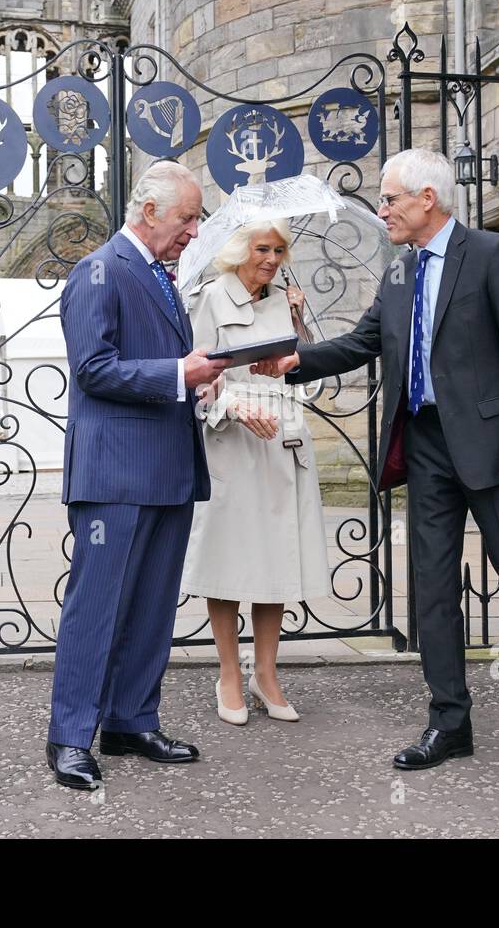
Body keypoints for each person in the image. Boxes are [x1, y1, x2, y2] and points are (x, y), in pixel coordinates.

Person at [252, 148, 499, 767]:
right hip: (426, 445)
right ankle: (450, 722)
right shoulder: (399, 271)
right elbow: (363, 341)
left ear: (426, 200)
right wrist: (295, 361)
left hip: (492, 452)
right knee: (433, 589)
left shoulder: (491, 257)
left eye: (389, 198)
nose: (382, 209)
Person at [47, 161, 231, 790]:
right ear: (150, 212)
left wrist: (196, 381)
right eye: (187, 218)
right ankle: (70, 737)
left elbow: (157, 365)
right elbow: (93, 369)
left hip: (166, 471)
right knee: (96, 608)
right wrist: (180, 375)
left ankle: (130, 721)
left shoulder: (157, 273)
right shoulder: (97, 271)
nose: (194, 230)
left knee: (153, 607)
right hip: (114, 476)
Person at [180, 221, 331, 726]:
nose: (271, 257)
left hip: (283, 438)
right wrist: (233, 408)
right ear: (240, 249)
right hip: (233, 438)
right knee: (227, 560)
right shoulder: (210, 299)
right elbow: (196, 377)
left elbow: (297, 368)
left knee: (276, 563)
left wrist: (298, 319)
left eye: (279, 249)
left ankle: (266, 675)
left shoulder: (284, 298)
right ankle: (228, 672)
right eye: (262, 248)